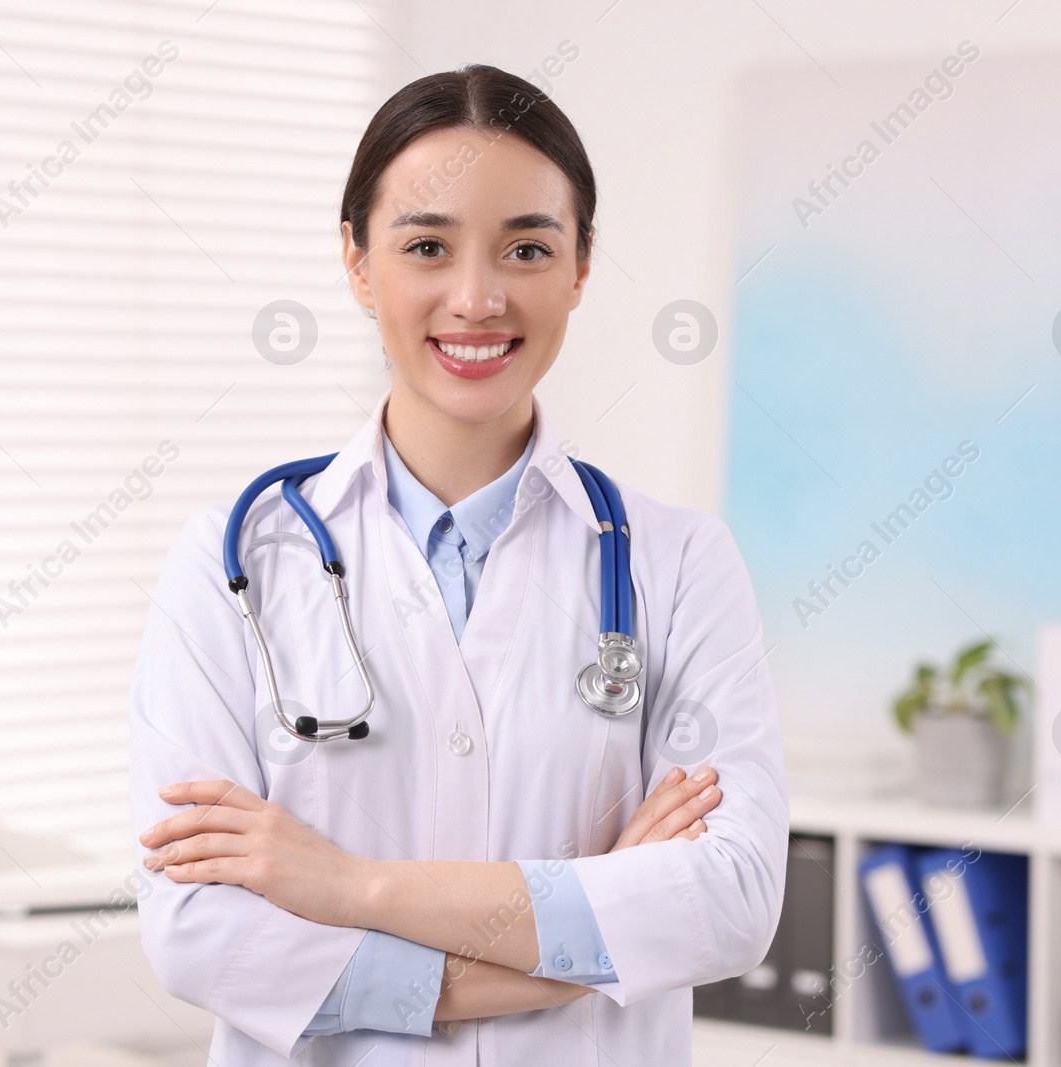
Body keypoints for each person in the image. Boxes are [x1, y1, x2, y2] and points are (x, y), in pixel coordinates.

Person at [129, 63, 787, 1065]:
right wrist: (587, 936)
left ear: (579, 265)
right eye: (426, 245)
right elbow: (201, 934)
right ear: (356, 262)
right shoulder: (233, 567)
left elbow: (729, 901)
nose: (476, 298)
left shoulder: (680, 563)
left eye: (527, 246)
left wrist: (350, 887)